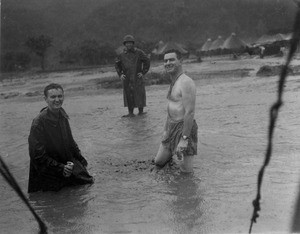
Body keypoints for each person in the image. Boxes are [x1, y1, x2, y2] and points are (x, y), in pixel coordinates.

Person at [28, 83, 94, 193]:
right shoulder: (38, 123)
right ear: (45, 99)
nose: (57, 100)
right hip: (47, 170)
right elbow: (37, 157)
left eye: (60, 96)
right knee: (54, 195)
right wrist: (61, 168)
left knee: (88, 182)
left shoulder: (62, 114)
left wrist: (81, 160)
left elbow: (70, 142)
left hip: (62, 164)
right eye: (53, 97)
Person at [154, 49, 198, 173]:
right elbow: (171, 108)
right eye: (165, 61)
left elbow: (190, 112)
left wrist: (184, 139)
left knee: (186, 171)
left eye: (171, 59)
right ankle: (172, 165)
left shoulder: (186, 82)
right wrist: (165, 131)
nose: (168, 63)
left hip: (184, 128)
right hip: (171, 128)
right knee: (159, 162)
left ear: (180, 61)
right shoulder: (174, 81)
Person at [115, 35, 150, 117]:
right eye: (127, 43)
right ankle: (130, 113)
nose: (129, 45)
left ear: (133, 44)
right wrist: (120, 74)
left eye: (130, 43)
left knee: (139, 94)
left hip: (137, 77)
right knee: (128, 94)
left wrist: (143, 72)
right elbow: (117, 65)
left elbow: (147, 61)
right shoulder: (121, 55)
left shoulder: (139, 52)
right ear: (125, 44)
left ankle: (141, 112)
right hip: (127, 78)